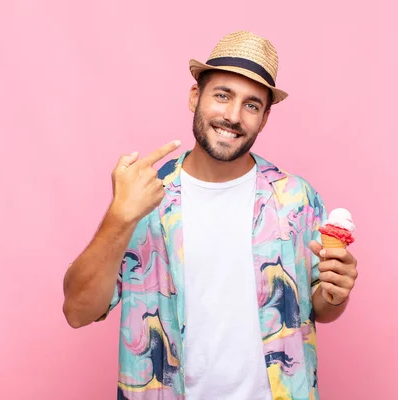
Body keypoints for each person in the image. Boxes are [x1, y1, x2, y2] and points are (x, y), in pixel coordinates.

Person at [62, 30, 359, 400]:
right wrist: (119, 217)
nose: (233, 116)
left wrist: (335, 293)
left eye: (252, 105)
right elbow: (77, 311)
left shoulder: (296, 199)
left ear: (265, 118)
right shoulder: (147, 199)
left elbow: (320, 308)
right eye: (222, 95)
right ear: (194, 96)